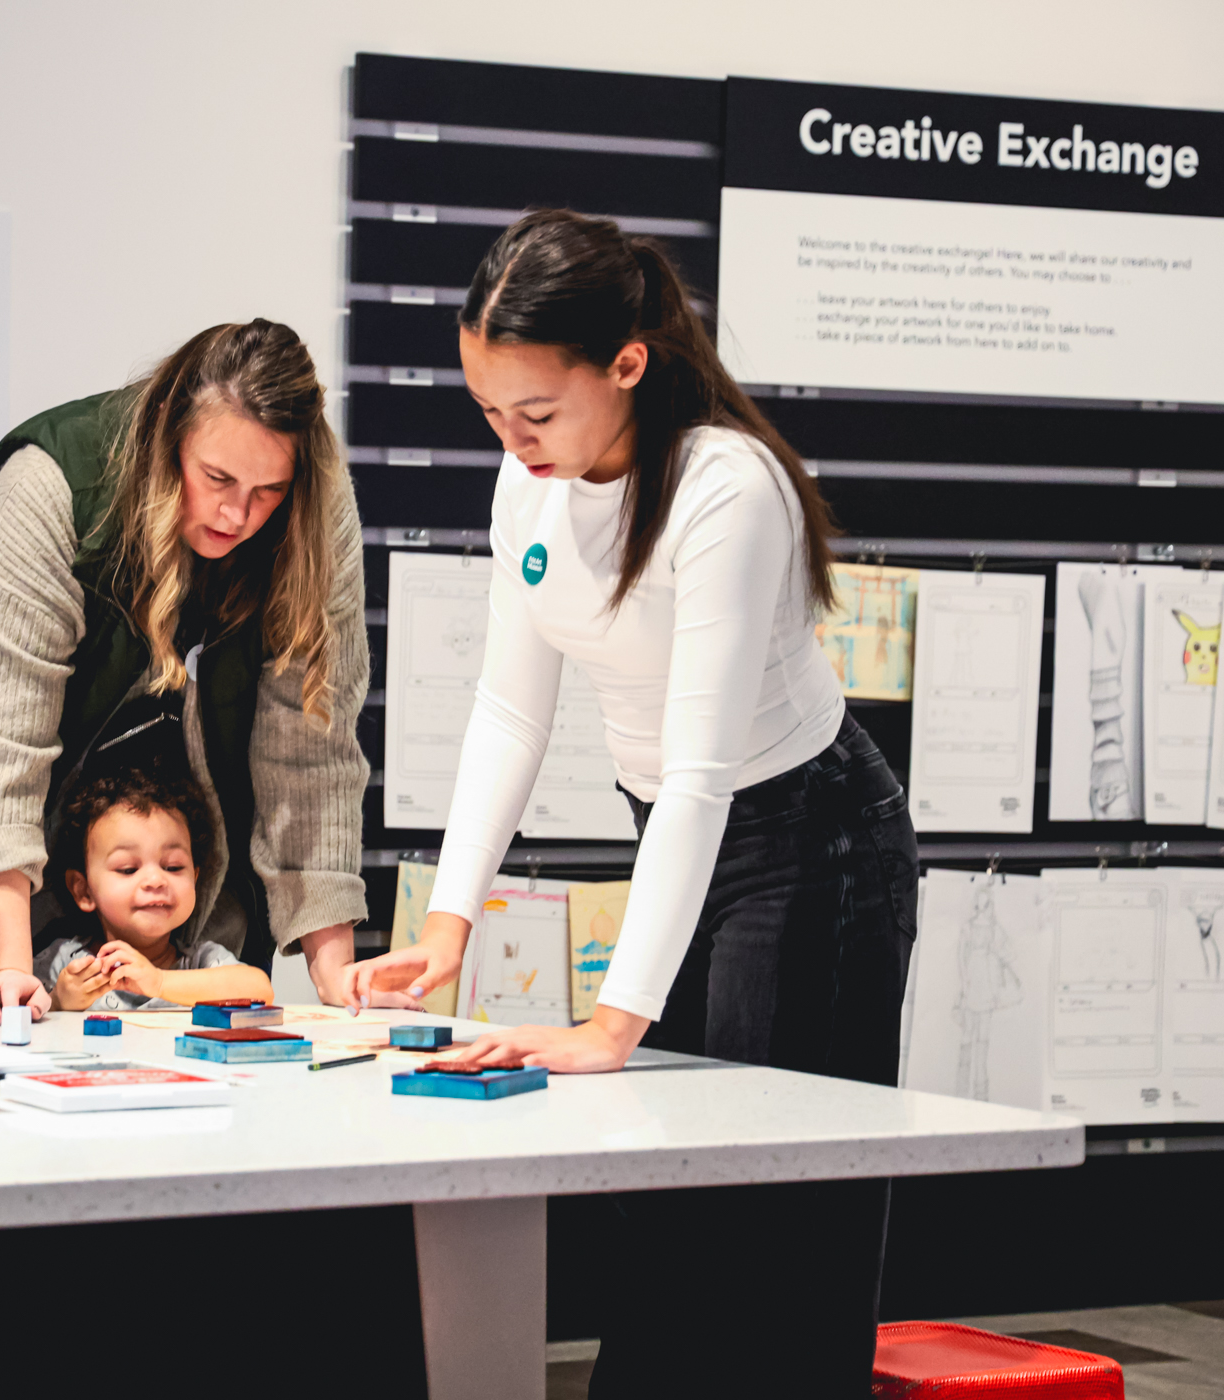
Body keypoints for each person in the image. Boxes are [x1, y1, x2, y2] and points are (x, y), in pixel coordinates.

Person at [340, 210, 918, 1397]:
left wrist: (611, 1025)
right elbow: (510, 710)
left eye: (535, 411)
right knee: (667, 1188)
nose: (510, 439)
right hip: (677, 828)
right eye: (488, 411)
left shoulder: (725, 488)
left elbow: (707, 771)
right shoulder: (529, 485)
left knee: (773, 1207)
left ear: (627, 363)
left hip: (812, 839)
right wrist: (448, 924)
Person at [0, 319, 379, 1026]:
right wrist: (10, 977)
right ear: (170, 434)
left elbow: (313, 750)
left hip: (171, 817)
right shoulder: (49, 488)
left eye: (268, 490)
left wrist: (338, 973)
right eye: (218, 478)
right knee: (1, 1014)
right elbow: (0, 746)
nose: (238, 513)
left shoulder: (317, 510)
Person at [38, 762, 273, 1012]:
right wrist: (57, 1001)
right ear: (83, 891)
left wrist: (159, 981)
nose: (156, 880)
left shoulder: (198, 963)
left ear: (195, 879)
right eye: (128, 869)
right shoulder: (65, 963)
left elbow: (260, 990)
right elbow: (13, 1017)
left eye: (173, 867)